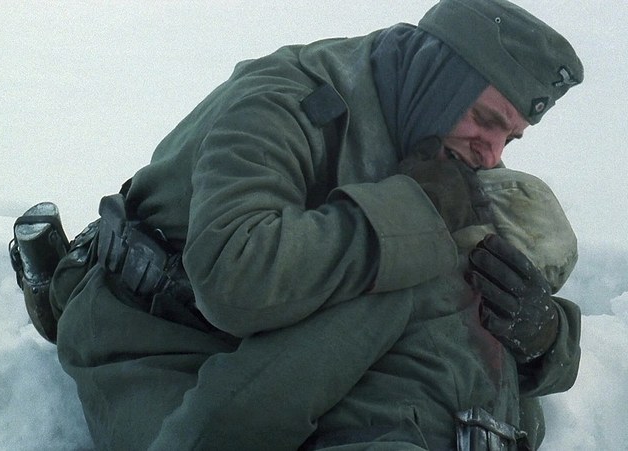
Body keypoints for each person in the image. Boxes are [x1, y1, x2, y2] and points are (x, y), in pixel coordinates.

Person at [41, 0, 584, 449]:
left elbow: (467, 288)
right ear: (437, 78)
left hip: (295, 348)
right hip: (159, 340)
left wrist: (546, 337)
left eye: (510, 138)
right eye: (485, 121)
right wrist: (413, 212)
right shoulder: (283, 99)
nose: (492, 155)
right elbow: (234, 277)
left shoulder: (440, 141)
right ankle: (55, 289)